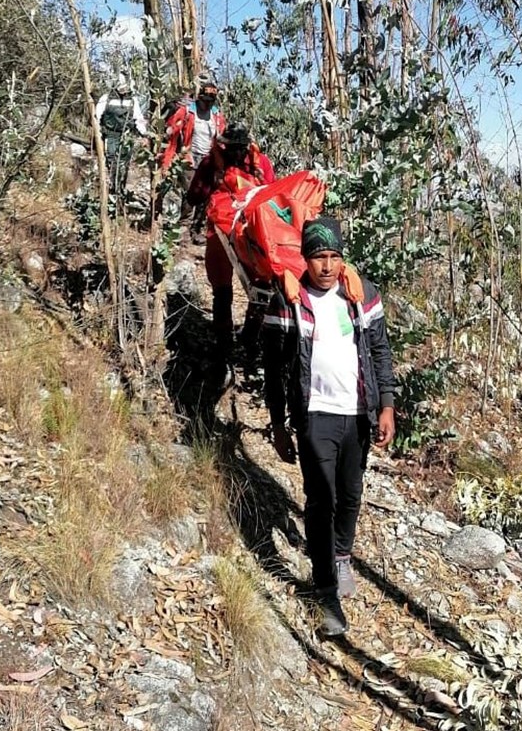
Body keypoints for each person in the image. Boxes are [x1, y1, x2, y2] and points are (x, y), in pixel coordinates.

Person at [262, 216, 396, 637]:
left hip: (357, 413)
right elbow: (273, 368)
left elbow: (379, 352)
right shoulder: (288, 300)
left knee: (351, 493)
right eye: (319, 257)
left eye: (335, 256)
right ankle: (325, 592)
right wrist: (279, 424)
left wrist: (387, 406)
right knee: (321, 498)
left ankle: (341, 554)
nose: (327, 265)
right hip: (315, 413)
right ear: (305, 258)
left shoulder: (361, 295)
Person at [190, 122, 275, 365]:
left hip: (244, 229)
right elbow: (194, 195)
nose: (236, 154)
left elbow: (194, 195)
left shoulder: (259, 164)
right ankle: (232, 339)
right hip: (234, 229)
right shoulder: (215, 163)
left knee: (245, 287)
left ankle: (238, 338)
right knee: (230, 287)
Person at [160, 77, 226, 232]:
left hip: (208, 159)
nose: (207, 104)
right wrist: (168, 132)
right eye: (205, 101)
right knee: (191, 192)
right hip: (189, 156)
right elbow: (174, 127)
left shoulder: (217, 117)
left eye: (210, 101)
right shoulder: (188, 111)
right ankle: (184, 223)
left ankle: (197, 226)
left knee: (206, 193)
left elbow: (220, 137)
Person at [95, 75, 148, 199]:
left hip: (126, 135)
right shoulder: (106, 99)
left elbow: (138, 119)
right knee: (112, 159)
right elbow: (97, 116)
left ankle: (121, 188)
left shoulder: (132, 100)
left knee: (124, 162)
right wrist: (98, 132)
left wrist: (144, 134)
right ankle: (112, 188)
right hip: (110, 134)